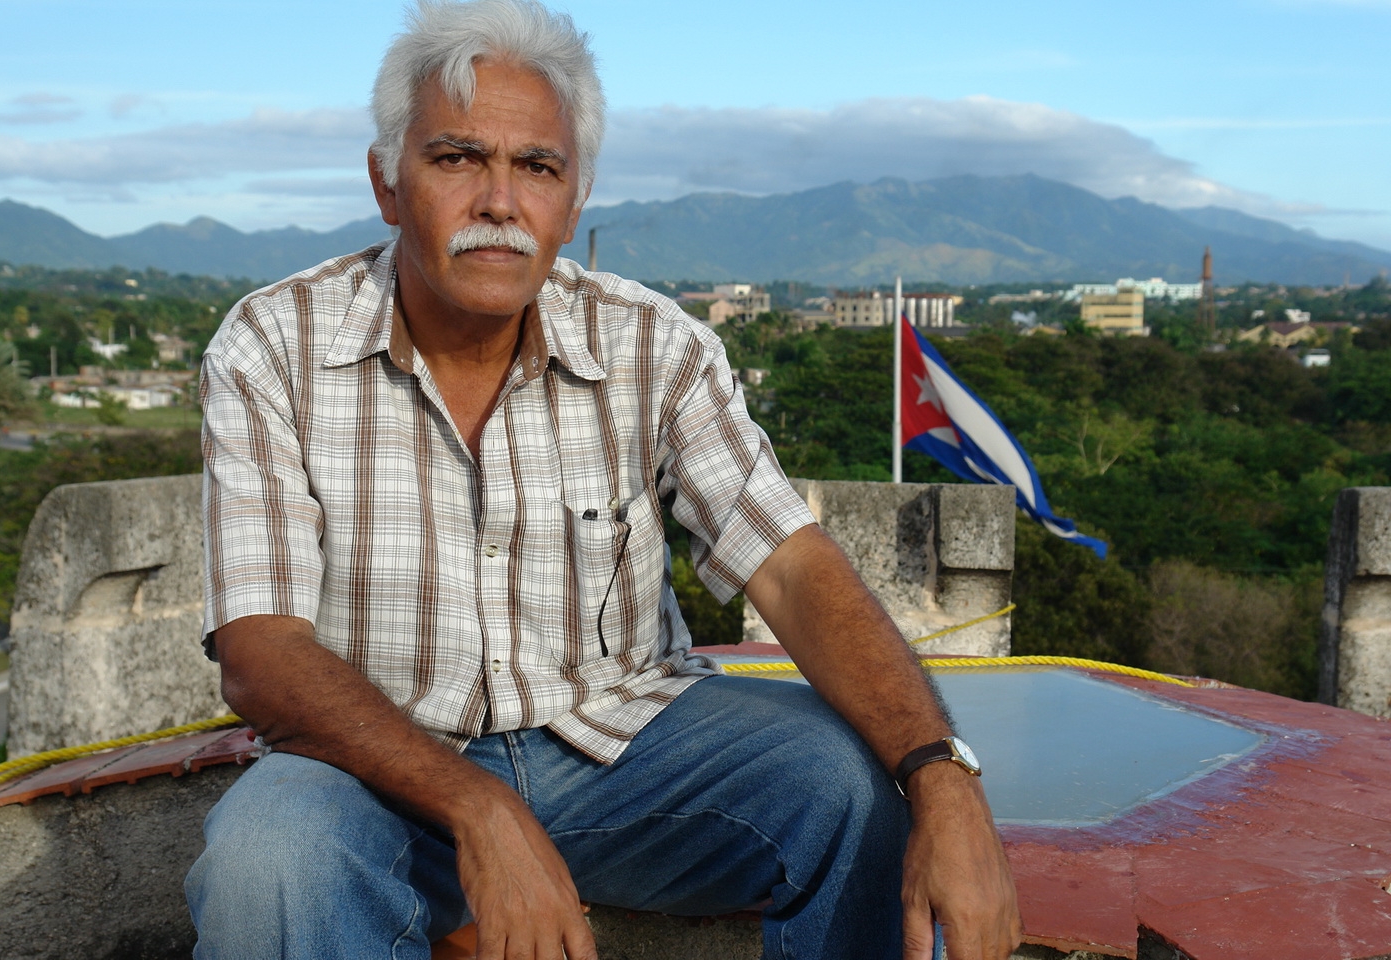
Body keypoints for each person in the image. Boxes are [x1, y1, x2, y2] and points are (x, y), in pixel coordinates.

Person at [184, 1, 1021, 958]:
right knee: (270, 857)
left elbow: (788, 564)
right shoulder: (274, 345)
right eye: (457, 157)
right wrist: (479, 808)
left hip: (625, 758)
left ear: (573, 202)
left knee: (855, 781)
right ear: (386, 182)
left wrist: (942, 775)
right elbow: (262, 650)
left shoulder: (653, 344)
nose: (499, 200)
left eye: (536, 166)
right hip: (378, 773)